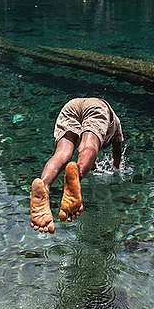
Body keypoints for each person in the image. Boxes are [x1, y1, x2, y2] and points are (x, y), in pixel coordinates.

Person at [30, 97, 124, 233]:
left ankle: (44, 184)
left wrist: (93, 167)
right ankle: (77, 175)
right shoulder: (117, 130)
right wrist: (116, 169)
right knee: (90, 144)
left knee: (62, 153)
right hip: (98, 106)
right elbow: (116, 155)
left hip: (70, 106)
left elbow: (89, 159)